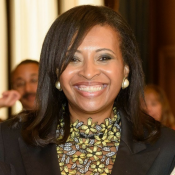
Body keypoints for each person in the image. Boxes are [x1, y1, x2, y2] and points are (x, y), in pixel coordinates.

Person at [0, 5, 175, 175]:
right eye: (73, 59)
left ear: (126, 69)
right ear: (56, 71)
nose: (89, 73)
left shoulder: (167, 149)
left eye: (104, 57)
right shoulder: (8, 141)